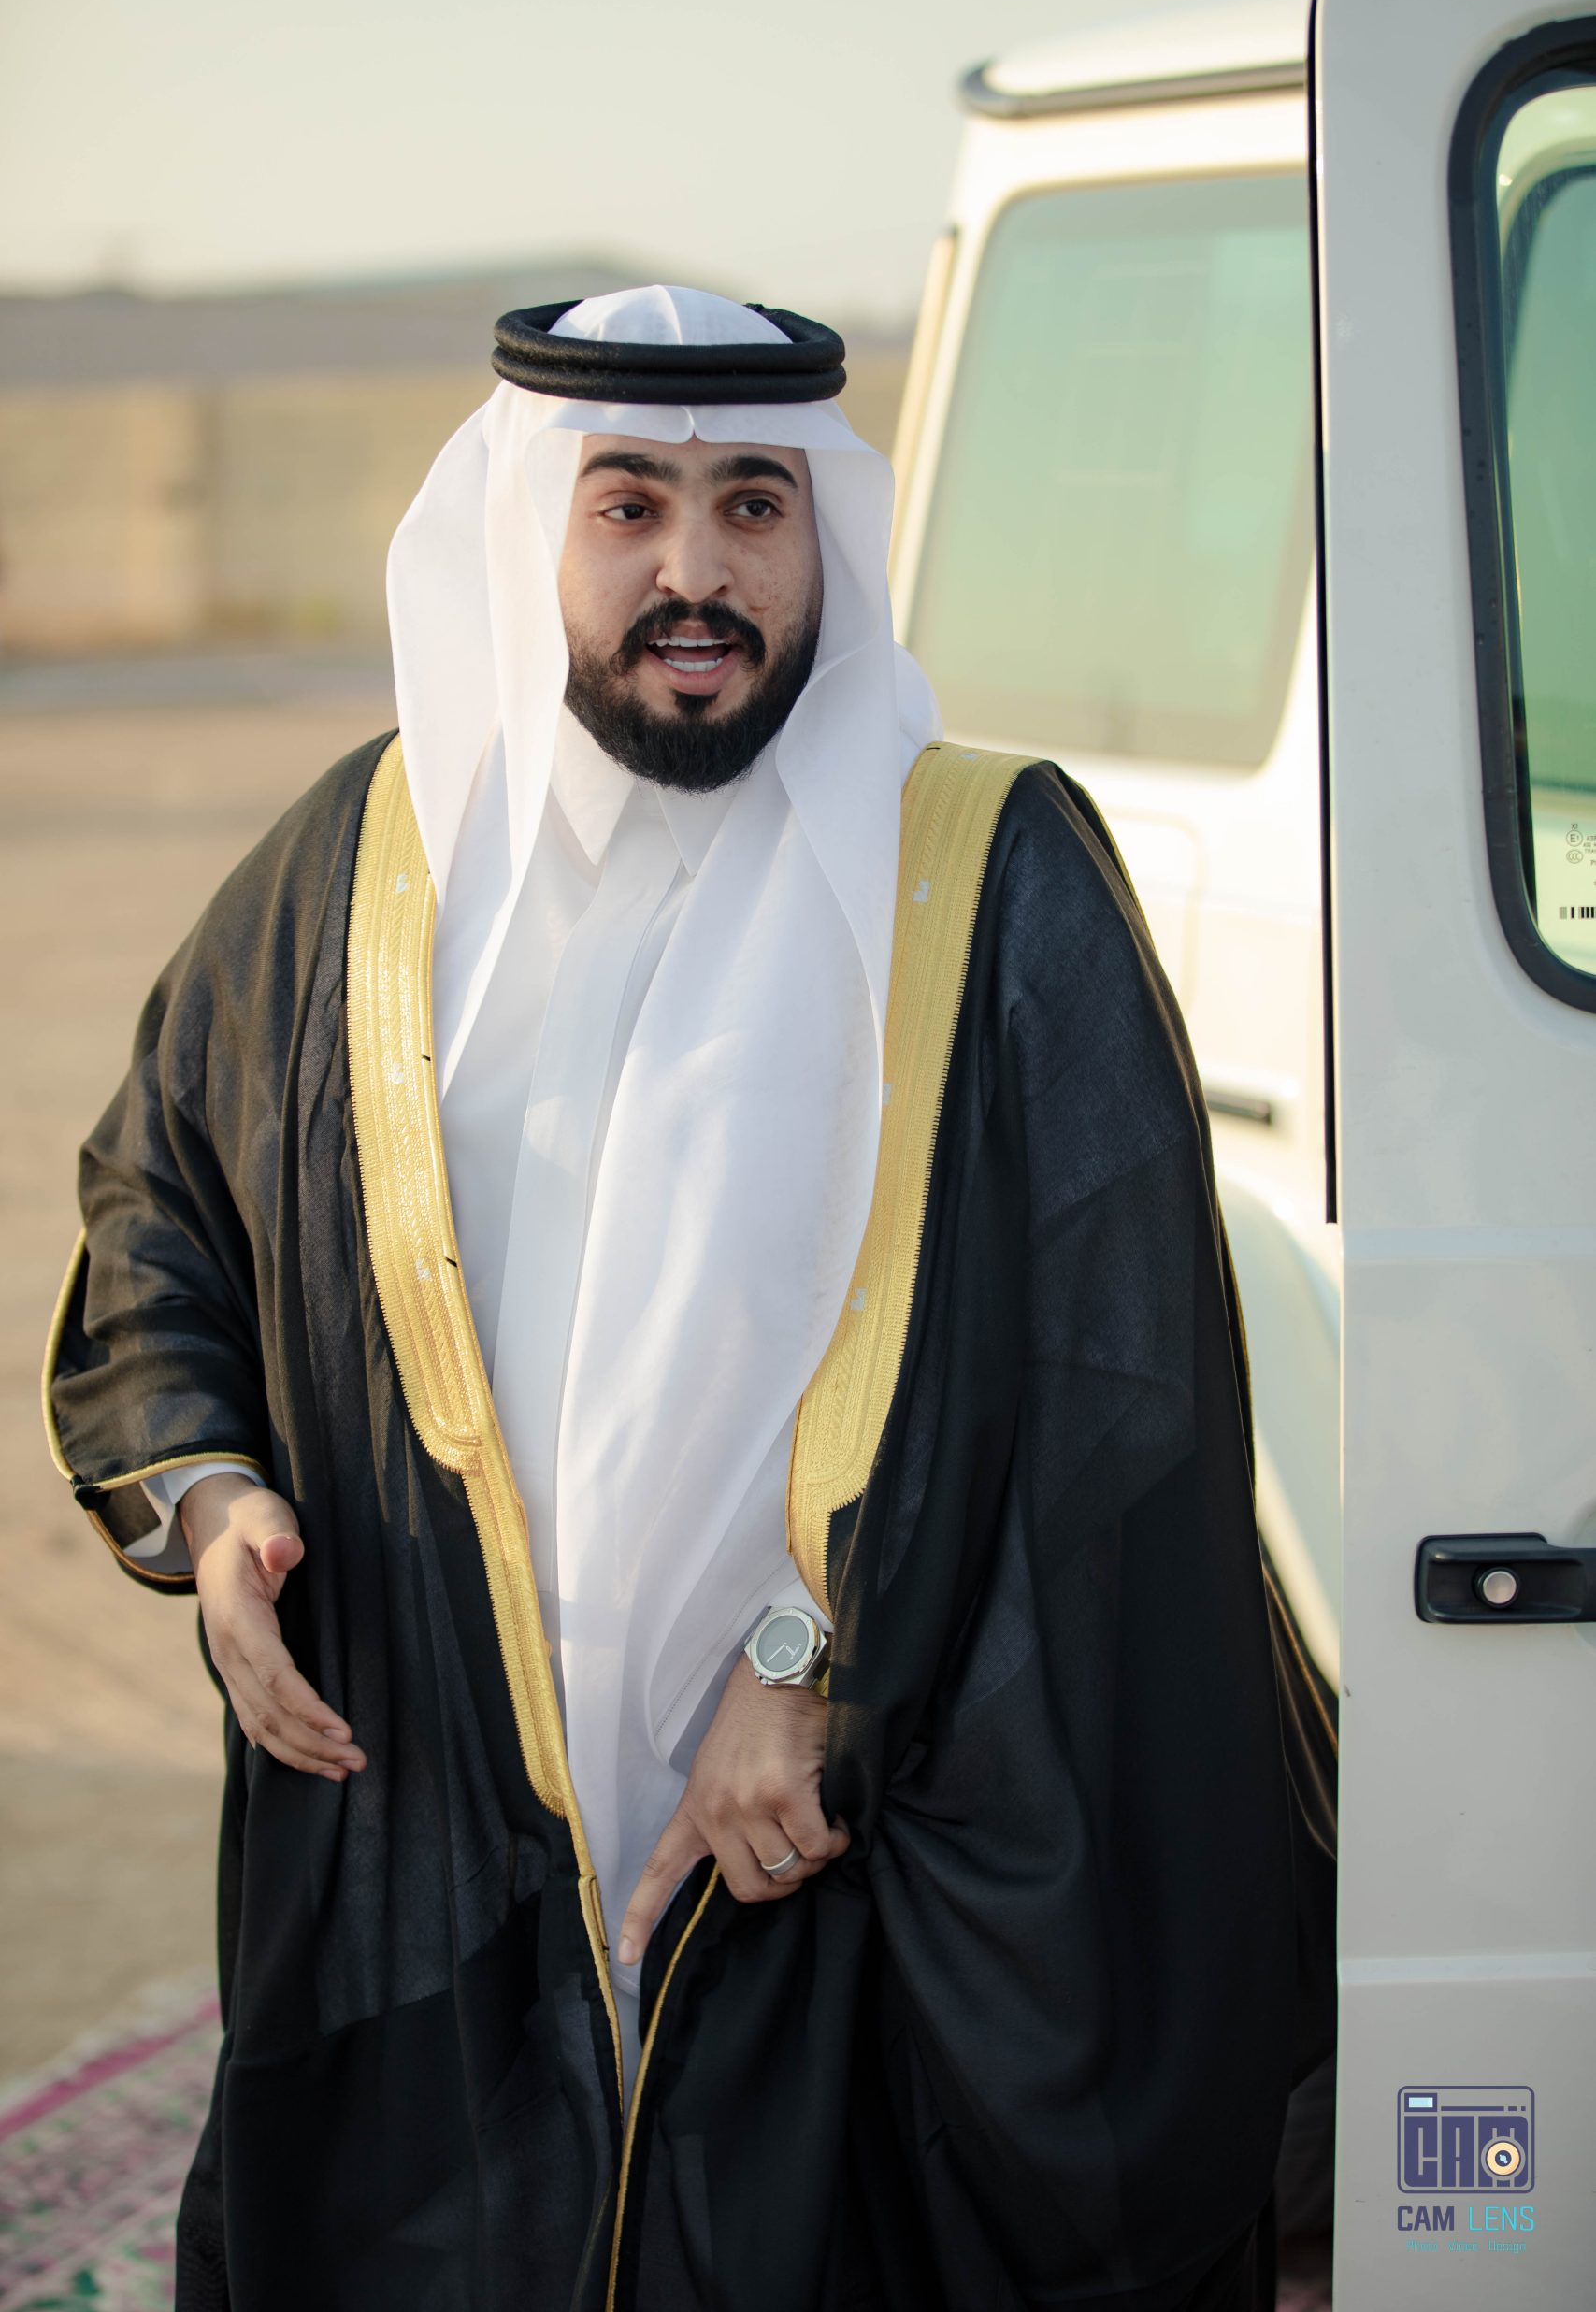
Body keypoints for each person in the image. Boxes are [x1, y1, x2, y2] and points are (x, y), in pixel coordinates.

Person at [44, 285, 1332, 2311]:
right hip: (450, 1804)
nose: (695, 571)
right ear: (528, 533)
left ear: (824, 530)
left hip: (846, 1818)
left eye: (753, 504)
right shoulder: (363, 874)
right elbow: (161, 1201)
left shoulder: (987, 875)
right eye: (628, 505)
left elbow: (1114, 1384)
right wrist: (211, 1502)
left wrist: (811, 1660)